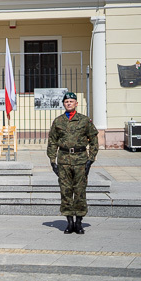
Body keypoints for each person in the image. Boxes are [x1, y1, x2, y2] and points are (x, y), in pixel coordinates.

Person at [47, 92, 98, 234]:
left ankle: (79, 222)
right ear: (63, 104)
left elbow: (93, 140)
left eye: (71, 101)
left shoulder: (84, 120)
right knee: (66, 191)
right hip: (63, 160)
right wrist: (52, 160)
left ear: (76, 103)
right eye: (66, 101)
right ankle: (69, 222)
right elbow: (52, 141)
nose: (69, 103)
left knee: (80, 191)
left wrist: (91, 159)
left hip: (81, 160)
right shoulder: (58, 121)